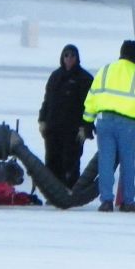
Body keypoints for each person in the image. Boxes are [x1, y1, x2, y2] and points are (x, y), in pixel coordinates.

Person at [81, 40, 135, 212]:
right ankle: (128, 201)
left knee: (106, 161)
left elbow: (92, 97)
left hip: (104, 121)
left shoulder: (105, 70)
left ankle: (106, 201)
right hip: (128, 125)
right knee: (128, 163)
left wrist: (88, 121)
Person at [38, 43, 93, 188]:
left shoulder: (85, 78)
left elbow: (90, 106)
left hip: (73, 131)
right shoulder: (56, 76)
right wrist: (42, 120)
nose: (69, 59)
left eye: (72, 56)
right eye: (66, 55)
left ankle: (70, 192)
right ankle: (53, 192)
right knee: (52, 161)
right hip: (53, 128)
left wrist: (86, 127)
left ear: (77, 58)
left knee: (70, 162)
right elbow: (47, 100)